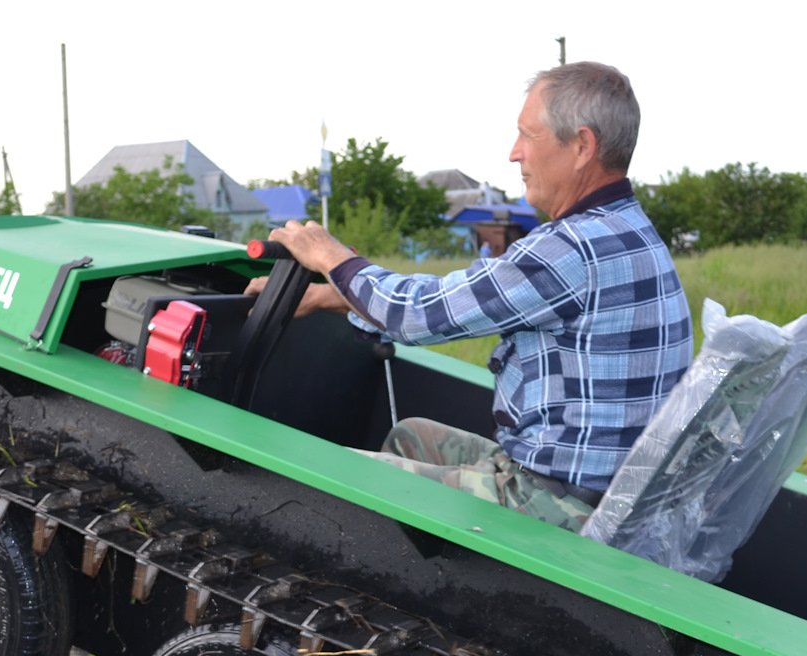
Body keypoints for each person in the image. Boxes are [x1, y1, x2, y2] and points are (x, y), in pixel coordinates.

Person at [257, 62, 692, 530]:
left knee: (332, 480)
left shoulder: (572, 249)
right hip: (601, 493)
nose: (514, 153)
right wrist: (330, 297)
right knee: (410, 435)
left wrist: (331, 257)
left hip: (557, 505)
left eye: (528, 135)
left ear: (582, 146)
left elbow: (417, 316)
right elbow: (466, 296)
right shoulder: (628, 230)